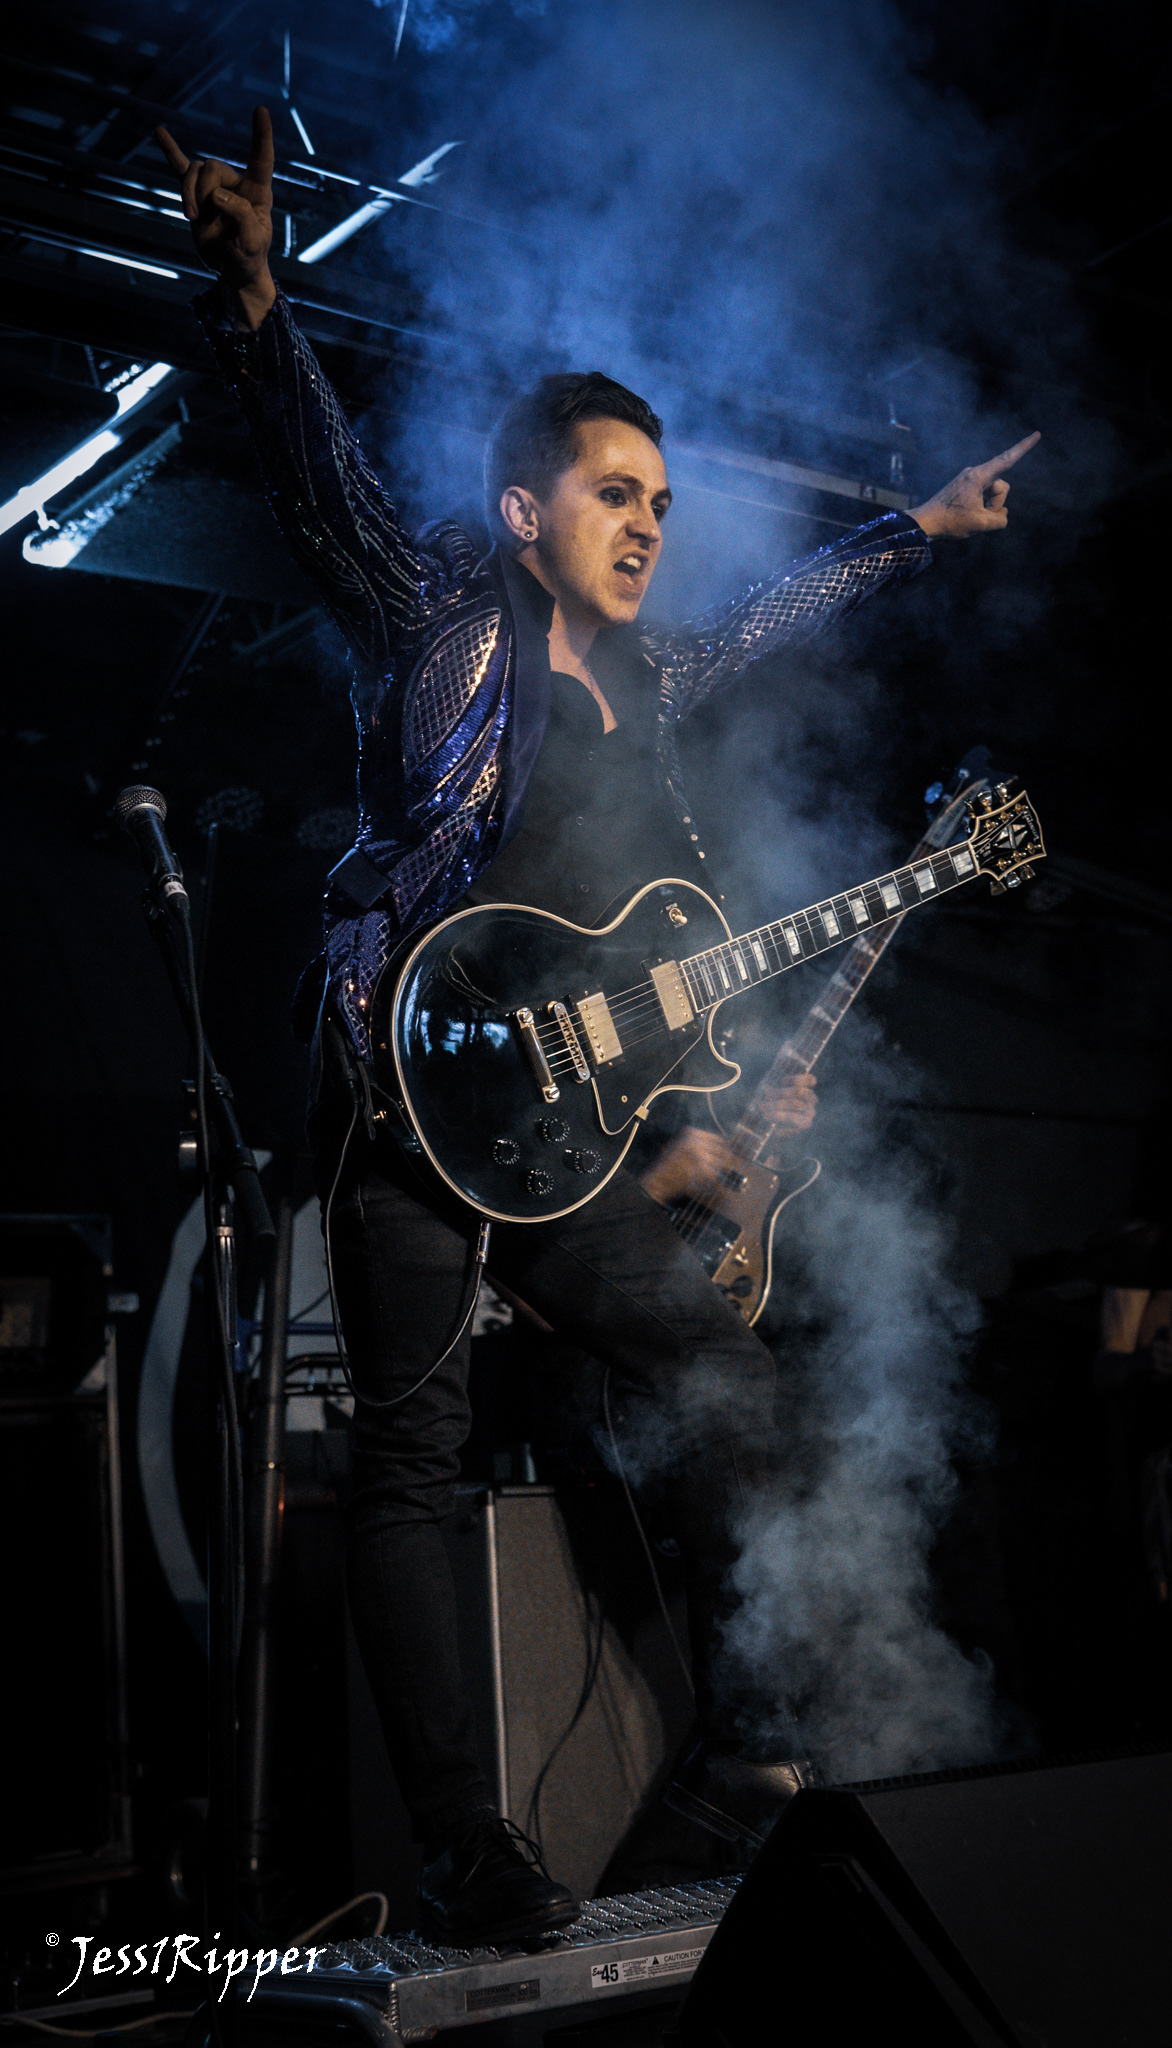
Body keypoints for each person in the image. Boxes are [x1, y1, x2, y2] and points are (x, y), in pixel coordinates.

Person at [156, 106, 1039, 1943]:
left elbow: (778, 613)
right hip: (412, 1091)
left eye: (658, 501)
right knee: (410, 1462)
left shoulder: (652, 680)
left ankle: (741, 1759)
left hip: (569, 1142)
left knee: (737, 1379)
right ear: (522, 512)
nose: (647, 522)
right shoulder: (443, 623)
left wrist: (917, 530)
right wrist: (256, 311)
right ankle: (468, 1847)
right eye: (614, 493)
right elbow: (324, 488)